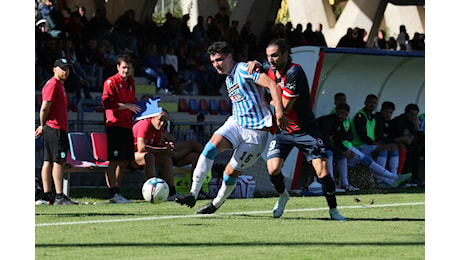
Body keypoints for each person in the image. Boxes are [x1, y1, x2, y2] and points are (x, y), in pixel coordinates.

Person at [175, 41, 288, 214]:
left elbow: (272, 85)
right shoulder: (228, 79)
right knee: (209, 148)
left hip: (256, 134)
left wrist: (279, 113)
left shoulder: (243, 69)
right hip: (236, 123)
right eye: (213, 62)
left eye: (219, 60)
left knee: (231, 171)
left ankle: (215, 204)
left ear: (229, 57)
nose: (216, 65)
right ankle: (193, 193)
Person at [255, 38, 346, 220]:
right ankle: (283, 196)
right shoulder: (268, 68)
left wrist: (267, 99)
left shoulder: (295, 72)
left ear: (286, 54)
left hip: (306, 130)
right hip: (283, 130)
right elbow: (257, 66)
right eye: (268, 56)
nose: (271, 60)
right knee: (273, 169)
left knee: (322, 172)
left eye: (274, 56)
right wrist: (253, 63)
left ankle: (333, 210)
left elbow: (286, 107)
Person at [35, 58, 79, 205]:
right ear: (54, 69)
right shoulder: (53, 85)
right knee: (58, 161)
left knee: (48, 160)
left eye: (67, 69)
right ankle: (59, 196)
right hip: (55, 128)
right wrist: (42, 124)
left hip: (53, 128)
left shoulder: (59, 85)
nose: (65, 72)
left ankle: (48, 195)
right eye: (62, 68)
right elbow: (44, 107)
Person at [101, 54, 141, 203]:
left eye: (128, 68)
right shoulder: (111, 82)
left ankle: (118, 192)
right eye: (124, 67)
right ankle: (113, 193)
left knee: (124, 161)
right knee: (114, 160)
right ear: (118, 67)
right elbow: (107, 103)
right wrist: (127, 107)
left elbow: (132, 104)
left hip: (127, 125)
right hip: (115, 125)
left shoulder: (131, 82)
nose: (126, 70)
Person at [351, 95, 411, 187]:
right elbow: (362, 135)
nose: (372, 105)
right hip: (359, 146)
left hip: (368, 146)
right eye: (370, 102)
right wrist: (376, 143)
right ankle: (383, 180)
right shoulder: (361, 116)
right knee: (383, 149)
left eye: (374, 103)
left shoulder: (372, 117)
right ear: (365, 102)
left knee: (392, 147)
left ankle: (393, 177)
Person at [391, 104, 422, 186]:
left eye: (415, 114)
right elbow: (406, 139)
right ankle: (405, 176)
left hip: (405, 143)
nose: (413, 116)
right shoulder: (400, 120)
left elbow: (413, 139)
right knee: (410, 149)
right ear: (406, 113)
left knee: (417, 148)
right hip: (394, 143)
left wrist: (416, 127)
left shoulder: (413, 122)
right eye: (411, 114)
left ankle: (415, 178)